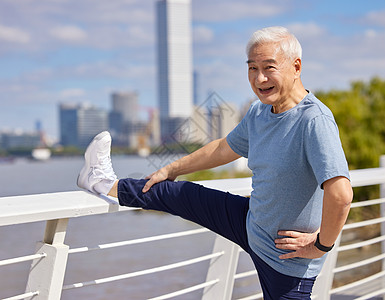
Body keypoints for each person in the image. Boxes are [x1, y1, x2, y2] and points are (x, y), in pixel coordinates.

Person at [77, 26, 353, 299]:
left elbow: (340, 195)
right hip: (250, 223)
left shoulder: (314, 121)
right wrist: (172, 169)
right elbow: (224, 148)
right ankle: (101, 182)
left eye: (269, 67)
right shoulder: (259, 112)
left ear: (296, 67)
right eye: (252, 68)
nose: (259, 78)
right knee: (172, 191)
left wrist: (320, 245)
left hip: (286, 258)